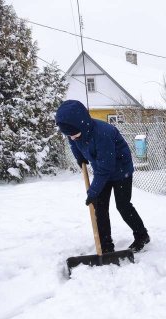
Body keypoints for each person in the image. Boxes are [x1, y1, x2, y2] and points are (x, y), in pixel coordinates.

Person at [56, 100, 150, 253]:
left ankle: (142, 235)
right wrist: (79, 157)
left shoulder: (102, 133)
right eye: (69, 135)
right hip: (102, 170)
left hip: (120, 171)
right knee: (100, 208)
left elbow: (105, 169)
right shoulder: (74, 132)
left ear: (82, 125)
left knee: (123, 206)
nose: (71, 138)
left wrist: (93, 192)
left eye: (73, 134)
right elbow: (74, 144)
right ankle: (106, 246)